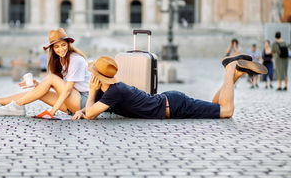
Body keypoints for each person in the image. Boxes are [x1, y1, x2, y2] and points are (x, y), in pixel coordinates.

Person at [74, 55, 267, 120]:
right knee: (215, 105)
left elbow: (92, 114)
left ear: (99, 77)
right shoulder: (107, 90)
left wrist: (89, 97)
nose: (91, 77)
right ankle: (236, 75)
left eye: (93, 74)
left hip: (174, 106)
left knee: (226, 111)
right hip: (171, 101)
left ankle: (230, 68)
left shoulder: (115, 91)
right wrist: (81, 110)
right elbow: (91, 110)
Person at [0, 28, 91, 117]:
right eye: (57, 47)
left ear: (68, 44)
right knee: (36, 91)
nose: (61, 49)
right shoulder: (61, 60)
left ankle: (16, 106)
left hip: (83, 102)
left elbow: (67, 90)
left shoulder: (76, 59)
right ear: (53, 49)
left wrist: (52, 112)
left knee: (51, 78)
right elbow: (60, 88)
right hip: (71, 103)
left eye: (63, 45)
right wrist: (39, 86)